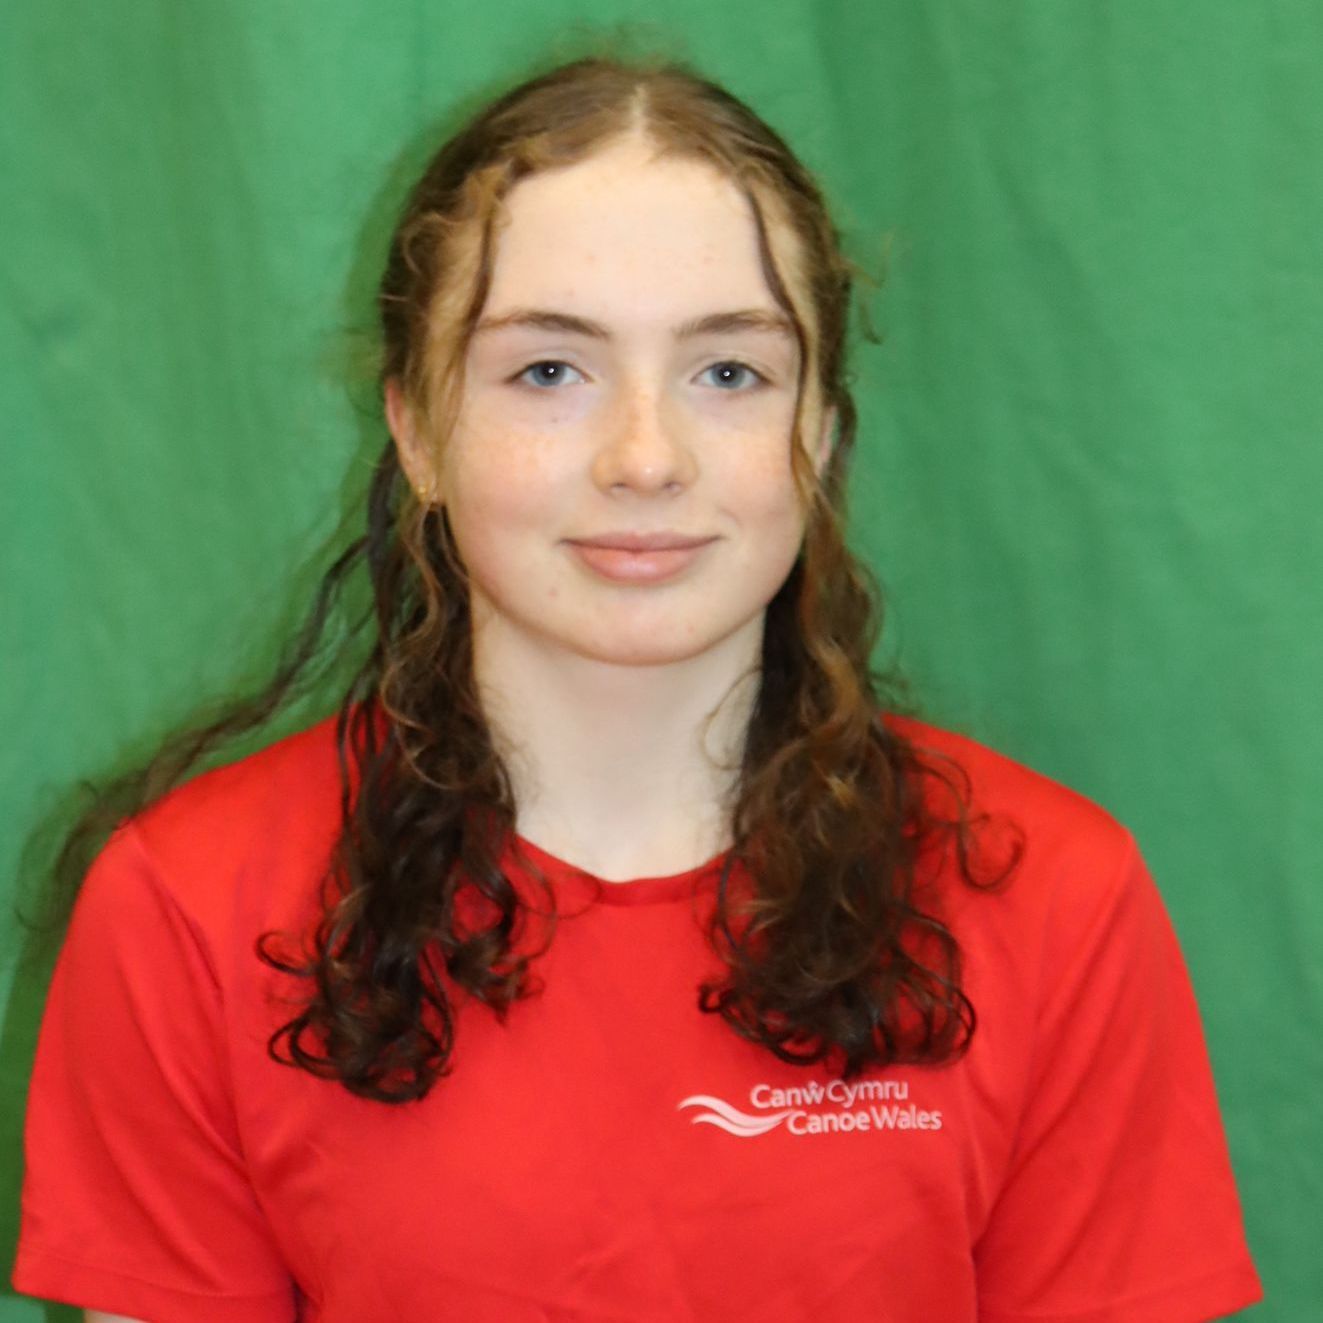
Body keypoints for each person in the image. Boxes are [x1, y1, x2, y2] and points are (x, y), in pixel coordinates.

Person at [12, 50, 1262, 1323]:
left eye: (730, 372)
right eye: (549, 370)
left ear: (821, 431)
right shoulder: (186, 910)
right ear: (417, 431)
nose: (646, 457)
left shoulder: (1051, 894)